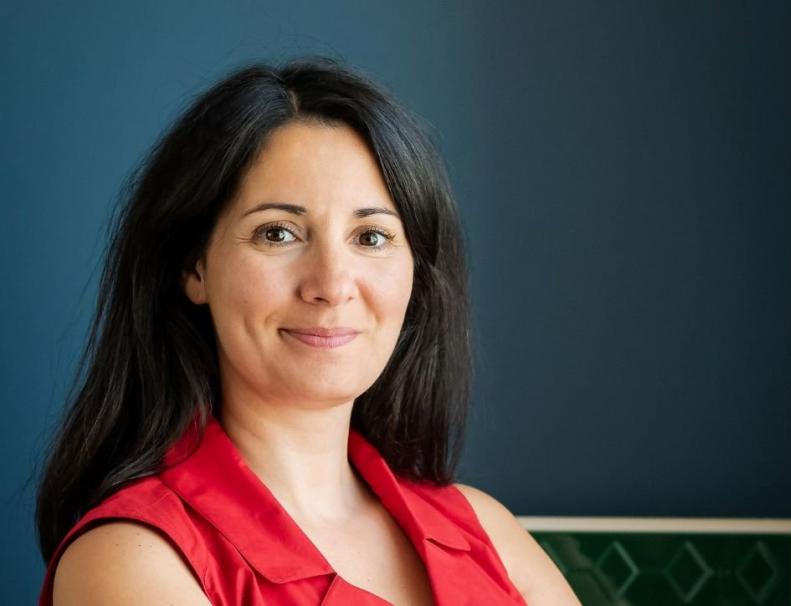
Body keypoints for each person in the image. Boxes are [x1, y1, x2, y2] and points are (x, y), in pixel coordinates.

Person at [35, 56, 580, 605]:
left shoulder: (487, 532)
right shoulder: (133, 558)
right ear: (195, 267)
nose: (332, 285)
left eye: (371, 237)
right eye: (278, 233)